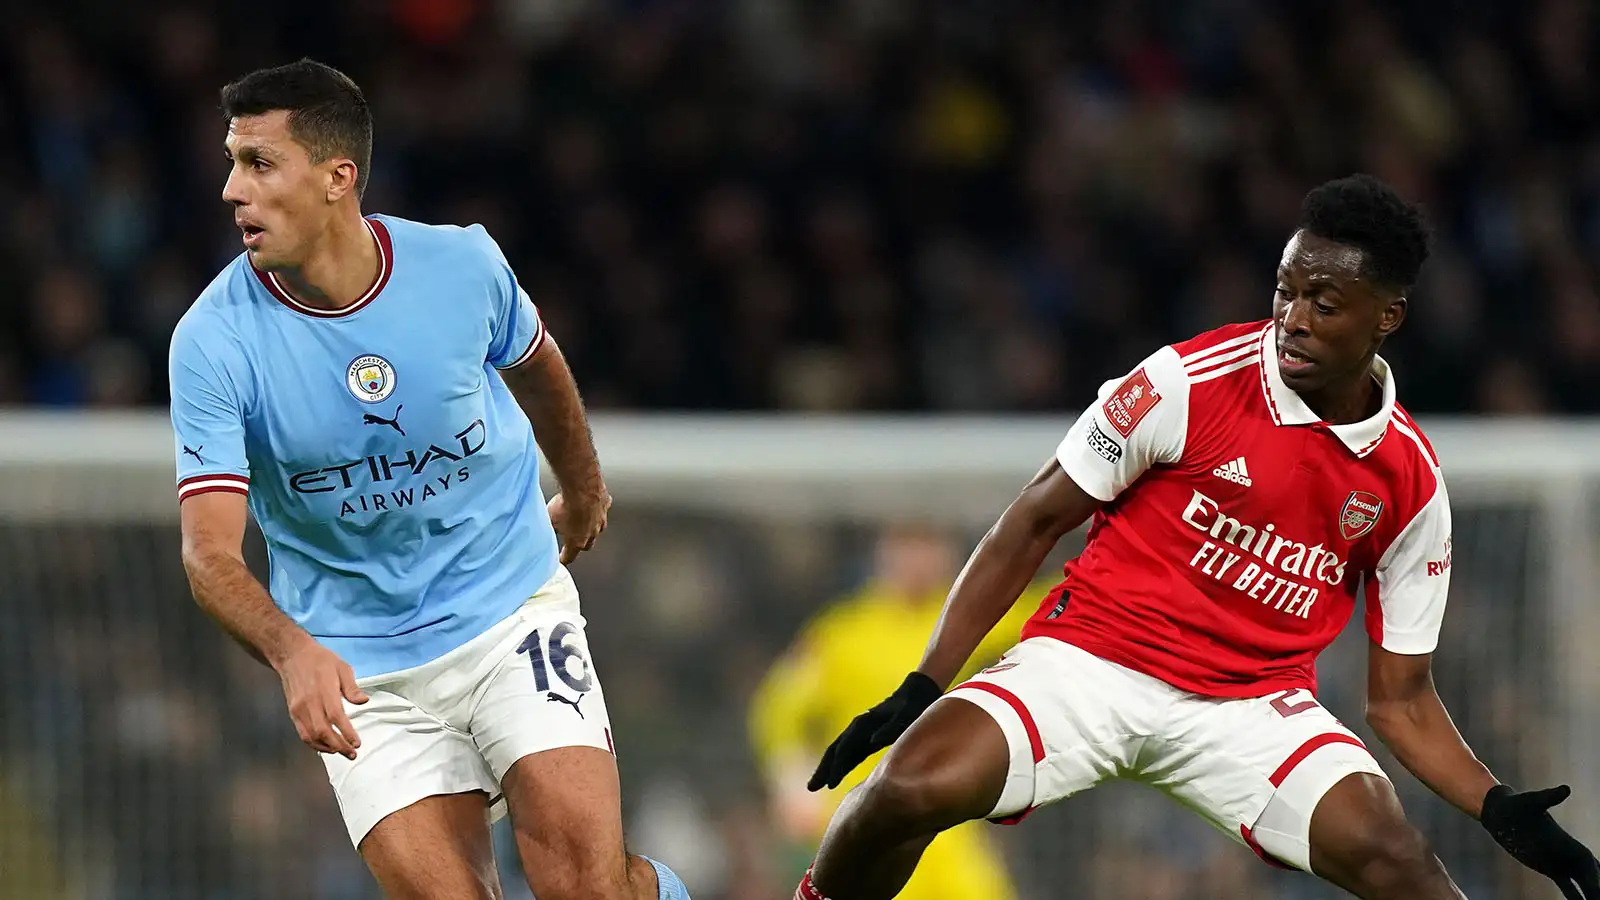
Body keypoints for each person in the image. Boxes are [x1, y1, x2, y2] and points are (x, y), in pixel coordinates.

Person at [794, 175, 1600, 900]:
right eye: (1286, 291)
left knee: (1397, 858)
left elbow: (1401, 699)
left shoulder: (1410, 482)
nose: (1293, 319)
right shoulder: (1187, 382)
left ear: (1387, 316)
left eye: (1324, 303)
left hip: (1252, 706)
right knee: (905, 790)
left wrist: (1496, 807)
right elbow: (1033, 520)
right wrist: (924, 684)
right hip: (1094, 663)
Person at [169, 58, 690, 900]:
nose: (232, 189)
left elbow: (539, 366)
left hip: (509, 615)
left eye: (259, 163)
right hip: (362, 672)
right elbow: (208, 556)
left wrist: (585, 489)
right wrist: (293, 651)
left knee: (585, 890)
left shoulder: (459, 267)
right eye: (231, 162)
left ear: (339, 178)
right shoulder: (212, 343)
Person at [750, 524, 1046, 900]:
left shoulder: (971, 614)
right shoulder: (843, 633)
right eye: (907, 546)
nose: (919, 561)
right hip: (863, 809)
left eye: (929, 545)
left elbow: (1053, 608)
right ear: (883, 553)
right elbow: (779, 707)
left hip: (944, 810)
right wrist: (789, 778)